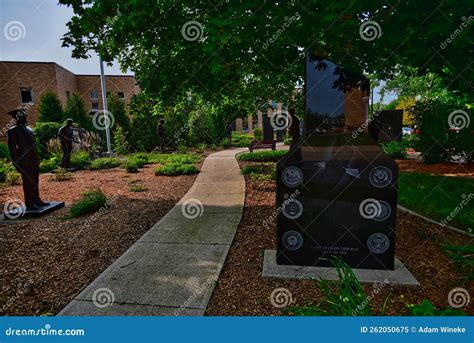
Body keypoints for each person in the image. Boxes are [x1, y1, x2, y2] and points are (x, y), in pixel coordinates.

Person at [7, 108, 48, 210]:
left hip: (34, 158)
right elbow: (12, 149)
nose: (25, 119)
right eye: (22, 117)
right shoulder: (13, 131)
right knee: (27, 181)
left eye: (25, 117)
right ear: (17, 118)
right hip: (24, 159)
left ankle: (36, 199)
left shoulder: (29, 129)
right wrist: (16, 163)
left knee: (35, 180)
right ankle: (29, 202)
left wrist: (38, 158)